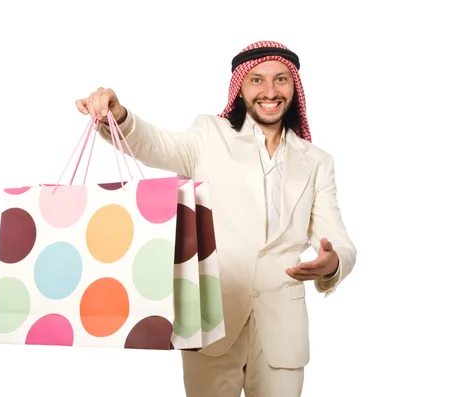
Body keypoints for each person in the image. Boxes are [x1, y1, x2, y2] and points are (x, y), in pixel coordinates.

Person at [75, 40, 357, 397]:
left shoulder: (318, 161)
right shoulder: (209, 134)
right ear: (240, 88)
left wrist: (332, 263)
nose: (270, 91)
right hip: (211, 318)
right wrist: (120, 117)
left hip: (282, 331)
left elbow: (341, 242)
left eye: (281, 80)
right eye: (257, 80)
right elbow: (157, 145)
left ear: (294, 88)